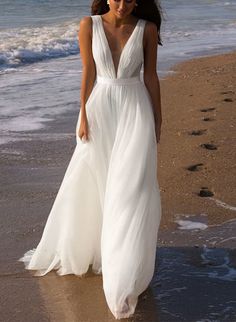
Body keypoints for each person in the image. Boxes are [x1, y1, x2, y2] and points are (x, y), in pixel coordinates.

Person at [19, 0, 163, 319]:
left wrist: (158, 118)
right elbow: (89, 71)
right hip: (99, 110)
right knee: (95, 180)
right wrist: (82, 114)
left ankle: (123, 270)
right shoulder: (89, 25)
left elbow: (150, 76)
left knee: (130, 190)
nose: (122, 4)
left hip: (134, 111)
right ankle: (100, 249)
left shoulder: (147, 29)